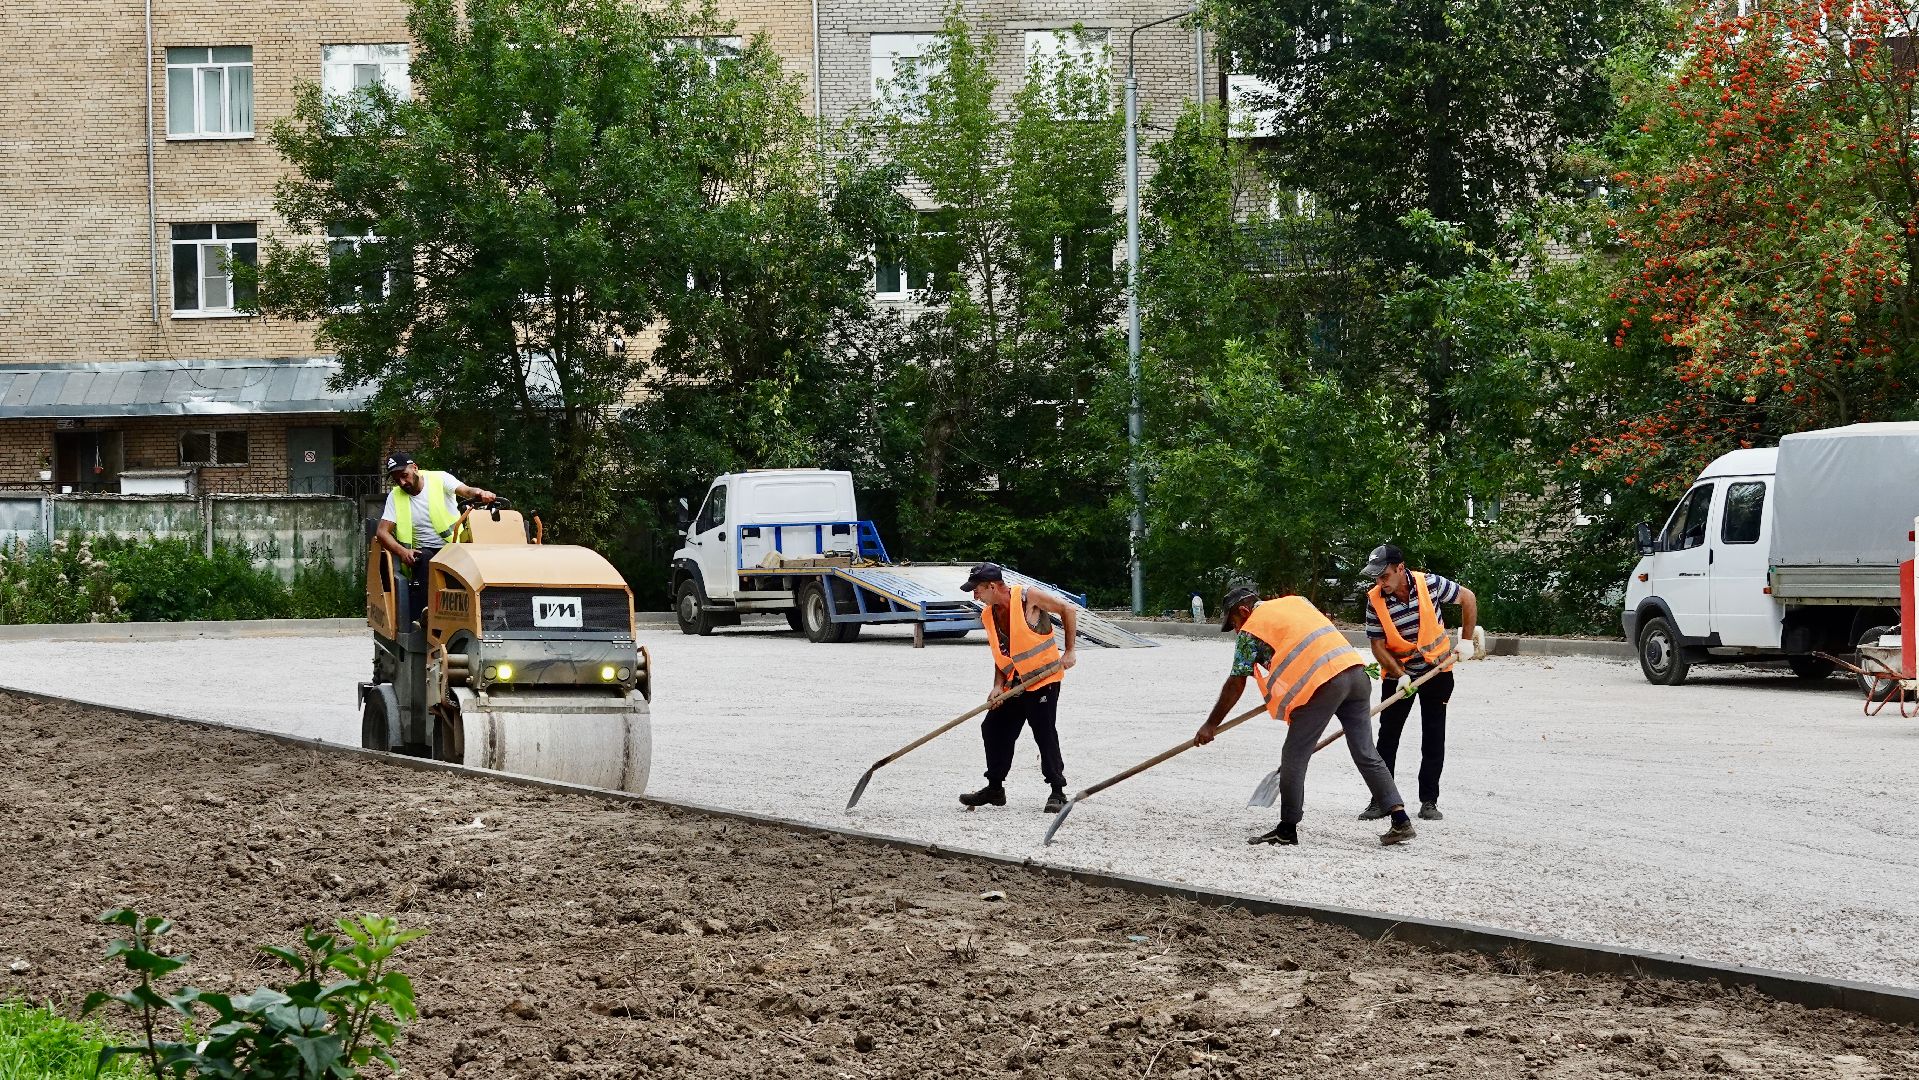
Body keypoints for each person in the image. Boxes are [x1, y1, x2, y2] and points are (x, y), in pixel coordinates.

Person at [1197, 585, 1415, 847]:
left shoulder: (1252, 629)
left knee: (1294, 756)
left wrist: (1210, 725)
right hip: (1356, 675)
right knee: (1366, 752)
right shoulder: (1296, 602)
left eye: (1233, 622)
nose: (1235, 630)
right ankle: (1400, 819)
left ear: (1244, 610)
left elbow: (1236, 682)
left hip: (1323, 684)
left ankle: (1287, 829)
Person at [1358, 543, 1478, 822]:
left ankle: (1429, 801)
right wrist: (1400, 675)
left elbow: (1468, 598)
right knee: (1387, 737)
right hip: (1399, 674)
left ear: (1400, 568)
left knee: (1433, 737)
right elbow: (1377, 645)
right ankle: (1380, 800)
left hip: (1437, 671)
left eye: (1384, 575)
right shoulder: (1375, 599)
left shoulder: (1430, 584)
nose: (1380, 582)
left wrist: (1466, 641)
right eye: (1376, 577)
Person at [958, 562, 1079, 813]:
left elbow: (1067, 609)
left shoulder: (1027, 597)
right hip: (1015, 683)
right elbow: (1001, 654)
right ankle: (995, 788)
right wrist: (997, 686)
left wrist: (1069, 651)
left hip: (1043, 680)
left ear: (992, 586)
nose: (974, 595)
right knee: (992, 727)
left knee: (1043, 731)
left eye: (977, 589)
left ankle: (1057, 791)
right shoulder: (988, 615)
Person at [375, 451, 496, 626]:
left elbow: (466, 490)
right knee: (425, 560)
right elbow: (382, 532)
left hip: (454, 547)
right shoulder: (395, 497)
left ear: (415, 468)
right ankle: (423, 616)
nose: (402, 482)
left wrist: (480, 493)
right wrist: (402, 552)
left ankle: (482, 616)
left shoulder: (440, 479)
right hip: (422, 552)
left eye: (404, 476)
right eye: (396, 479)